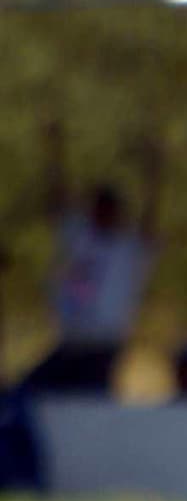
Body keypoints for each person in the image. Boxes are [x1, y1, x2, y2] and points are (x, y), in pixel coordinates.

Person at [24, 120, 162, 396]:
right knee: (27, 394)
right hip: (71, 342)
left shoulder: (128, 249)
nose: (101, 214)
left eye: (108, 208)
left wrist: (154, 174)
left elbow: (150, 221)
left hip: (102, 347)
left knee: (88, 399)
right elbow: (59, 197)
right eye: (97, 207)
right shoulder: (80, 236)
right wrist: (54, 151)